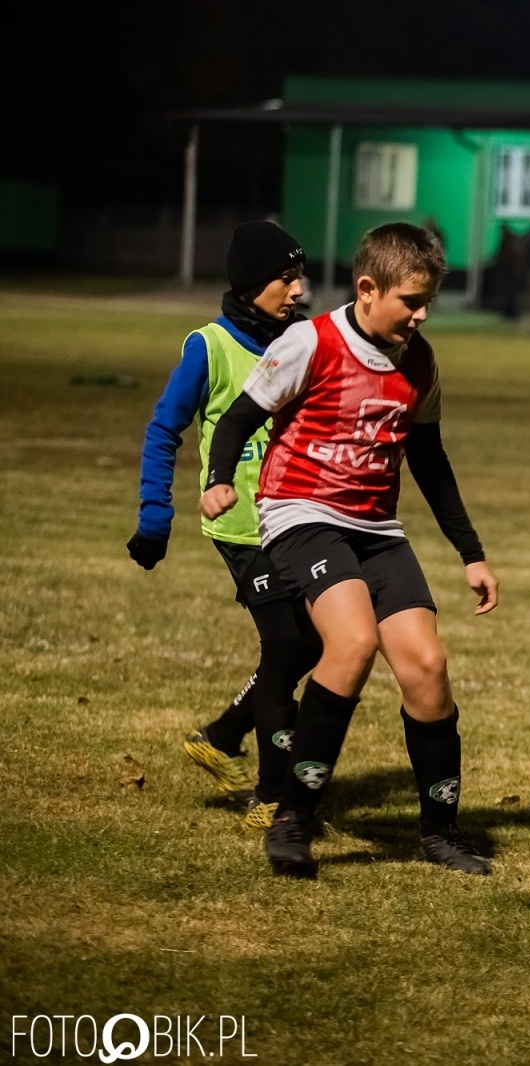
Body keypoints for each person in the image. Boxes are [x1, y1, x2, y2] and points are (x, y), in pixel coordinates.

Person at [201, 222, 500, 879]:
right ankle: (293, 818)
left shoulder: (418, 360)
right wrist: (220, 479)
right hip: (300, 514)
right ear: (368, 289)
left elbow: (430, 460)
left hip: (374, 527)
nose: (422, 316)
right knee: (354, 641)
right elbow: (240, 416)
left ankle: (439, 832)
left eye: (429, 304)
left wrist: (470, 552)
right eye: (411, 302)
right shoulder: (310, 343)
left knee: (426, 664)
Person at [129, 220, 323, 829]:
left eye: (300, 275)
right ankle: (271, 798)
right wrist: (155, 514)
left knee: (317, 643)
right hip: (241, 527)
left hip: (295, 521)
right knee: (287, 644)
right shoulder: (208, 346)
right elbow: (164, 429)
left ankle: (221, 734)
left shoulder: (302, 340)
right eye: (286, 278)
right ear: (250, 284)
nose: (299, 289)